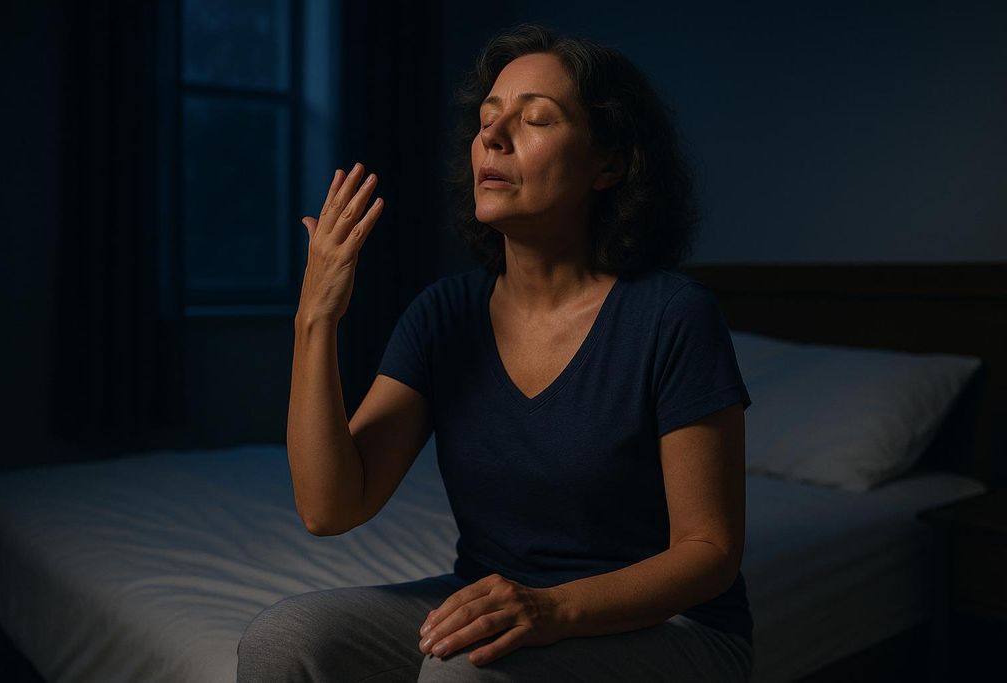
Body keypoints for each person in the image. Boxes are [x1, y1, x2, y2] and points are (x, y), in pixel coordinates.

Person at [237, 22, 754, 683]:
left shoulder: (671, 315)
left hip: (676, 629)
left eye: (535, 118)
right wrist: (317, 317)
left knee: (463, 672)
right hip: (501, 604)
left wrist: (551, 607)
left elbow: (710, 551)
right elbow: (331, 506)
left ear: (610, 163)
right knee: (285, 640)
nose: (494, 135)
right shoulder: (444, 315)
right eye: (488, 118)